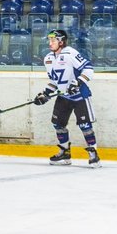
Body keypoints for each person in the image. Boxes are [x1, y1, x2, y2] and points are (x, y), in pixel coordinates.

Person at [33, 29, 99, 167]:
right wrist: (45, 94)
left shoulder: (70, 53)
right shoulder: (48, 59)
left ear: (61, 42)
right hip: (64, 97)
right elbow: (55, 81)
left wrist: (78, 82)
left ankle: (93, 154)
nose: (50, 43)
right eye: (49, 40)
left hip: (80, 96)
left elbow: (88, 69)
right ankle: (65, 153)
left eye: (53, 40)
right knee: (58, 124)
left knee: (85, 126)